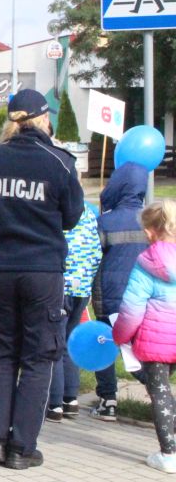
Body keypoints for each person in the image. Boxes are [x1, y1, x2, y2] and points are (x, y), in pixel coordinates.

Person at [0, 88, 84, 469]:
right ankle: (22, 448)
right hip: (41, 271)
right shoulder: (60, 162)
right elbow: (71, 217)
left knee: (1, 356)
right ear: (42, 118)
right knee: (37, 357)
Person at [112, 199, 176, 473]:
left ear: (150, 231)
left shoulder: (147, 262)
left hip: (158, 338)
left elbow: (131, 310)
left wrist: (120, 335)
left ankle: (169, 454)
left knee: (159, 390)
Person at [90, 161, 150, 420]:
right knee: (139, 349)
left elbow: (94, 259)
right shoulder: (152, 221)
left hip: (111, 297)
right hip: (146, 298)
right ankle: (158, 392)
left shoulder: (105, 222)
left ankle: (108, 399)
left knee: (105, 345)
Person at [46, 202, 102, 422]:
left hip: (59, 285)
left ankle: (54, 403)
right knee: (70, 343)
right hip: (82, 287)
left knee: (54, 345)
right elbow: (97, 252)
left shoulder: (54, 211)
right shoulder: (86, 212)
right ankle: (71, 399)